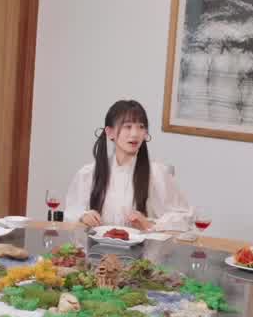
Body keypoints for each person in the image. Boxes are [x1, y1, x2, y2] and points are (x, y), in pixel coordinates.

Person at [65, 99, 190, 232]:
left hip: (143, 245)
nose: (135, 134)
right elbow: (70, 213)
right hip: (96, 245)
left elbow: (184, 217)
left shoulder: (156, 173)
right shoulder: (89, 173)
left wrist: (150, 224)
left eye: (141, 127)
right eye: (128, 126)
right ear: (110, 132)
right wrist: (83, 216)